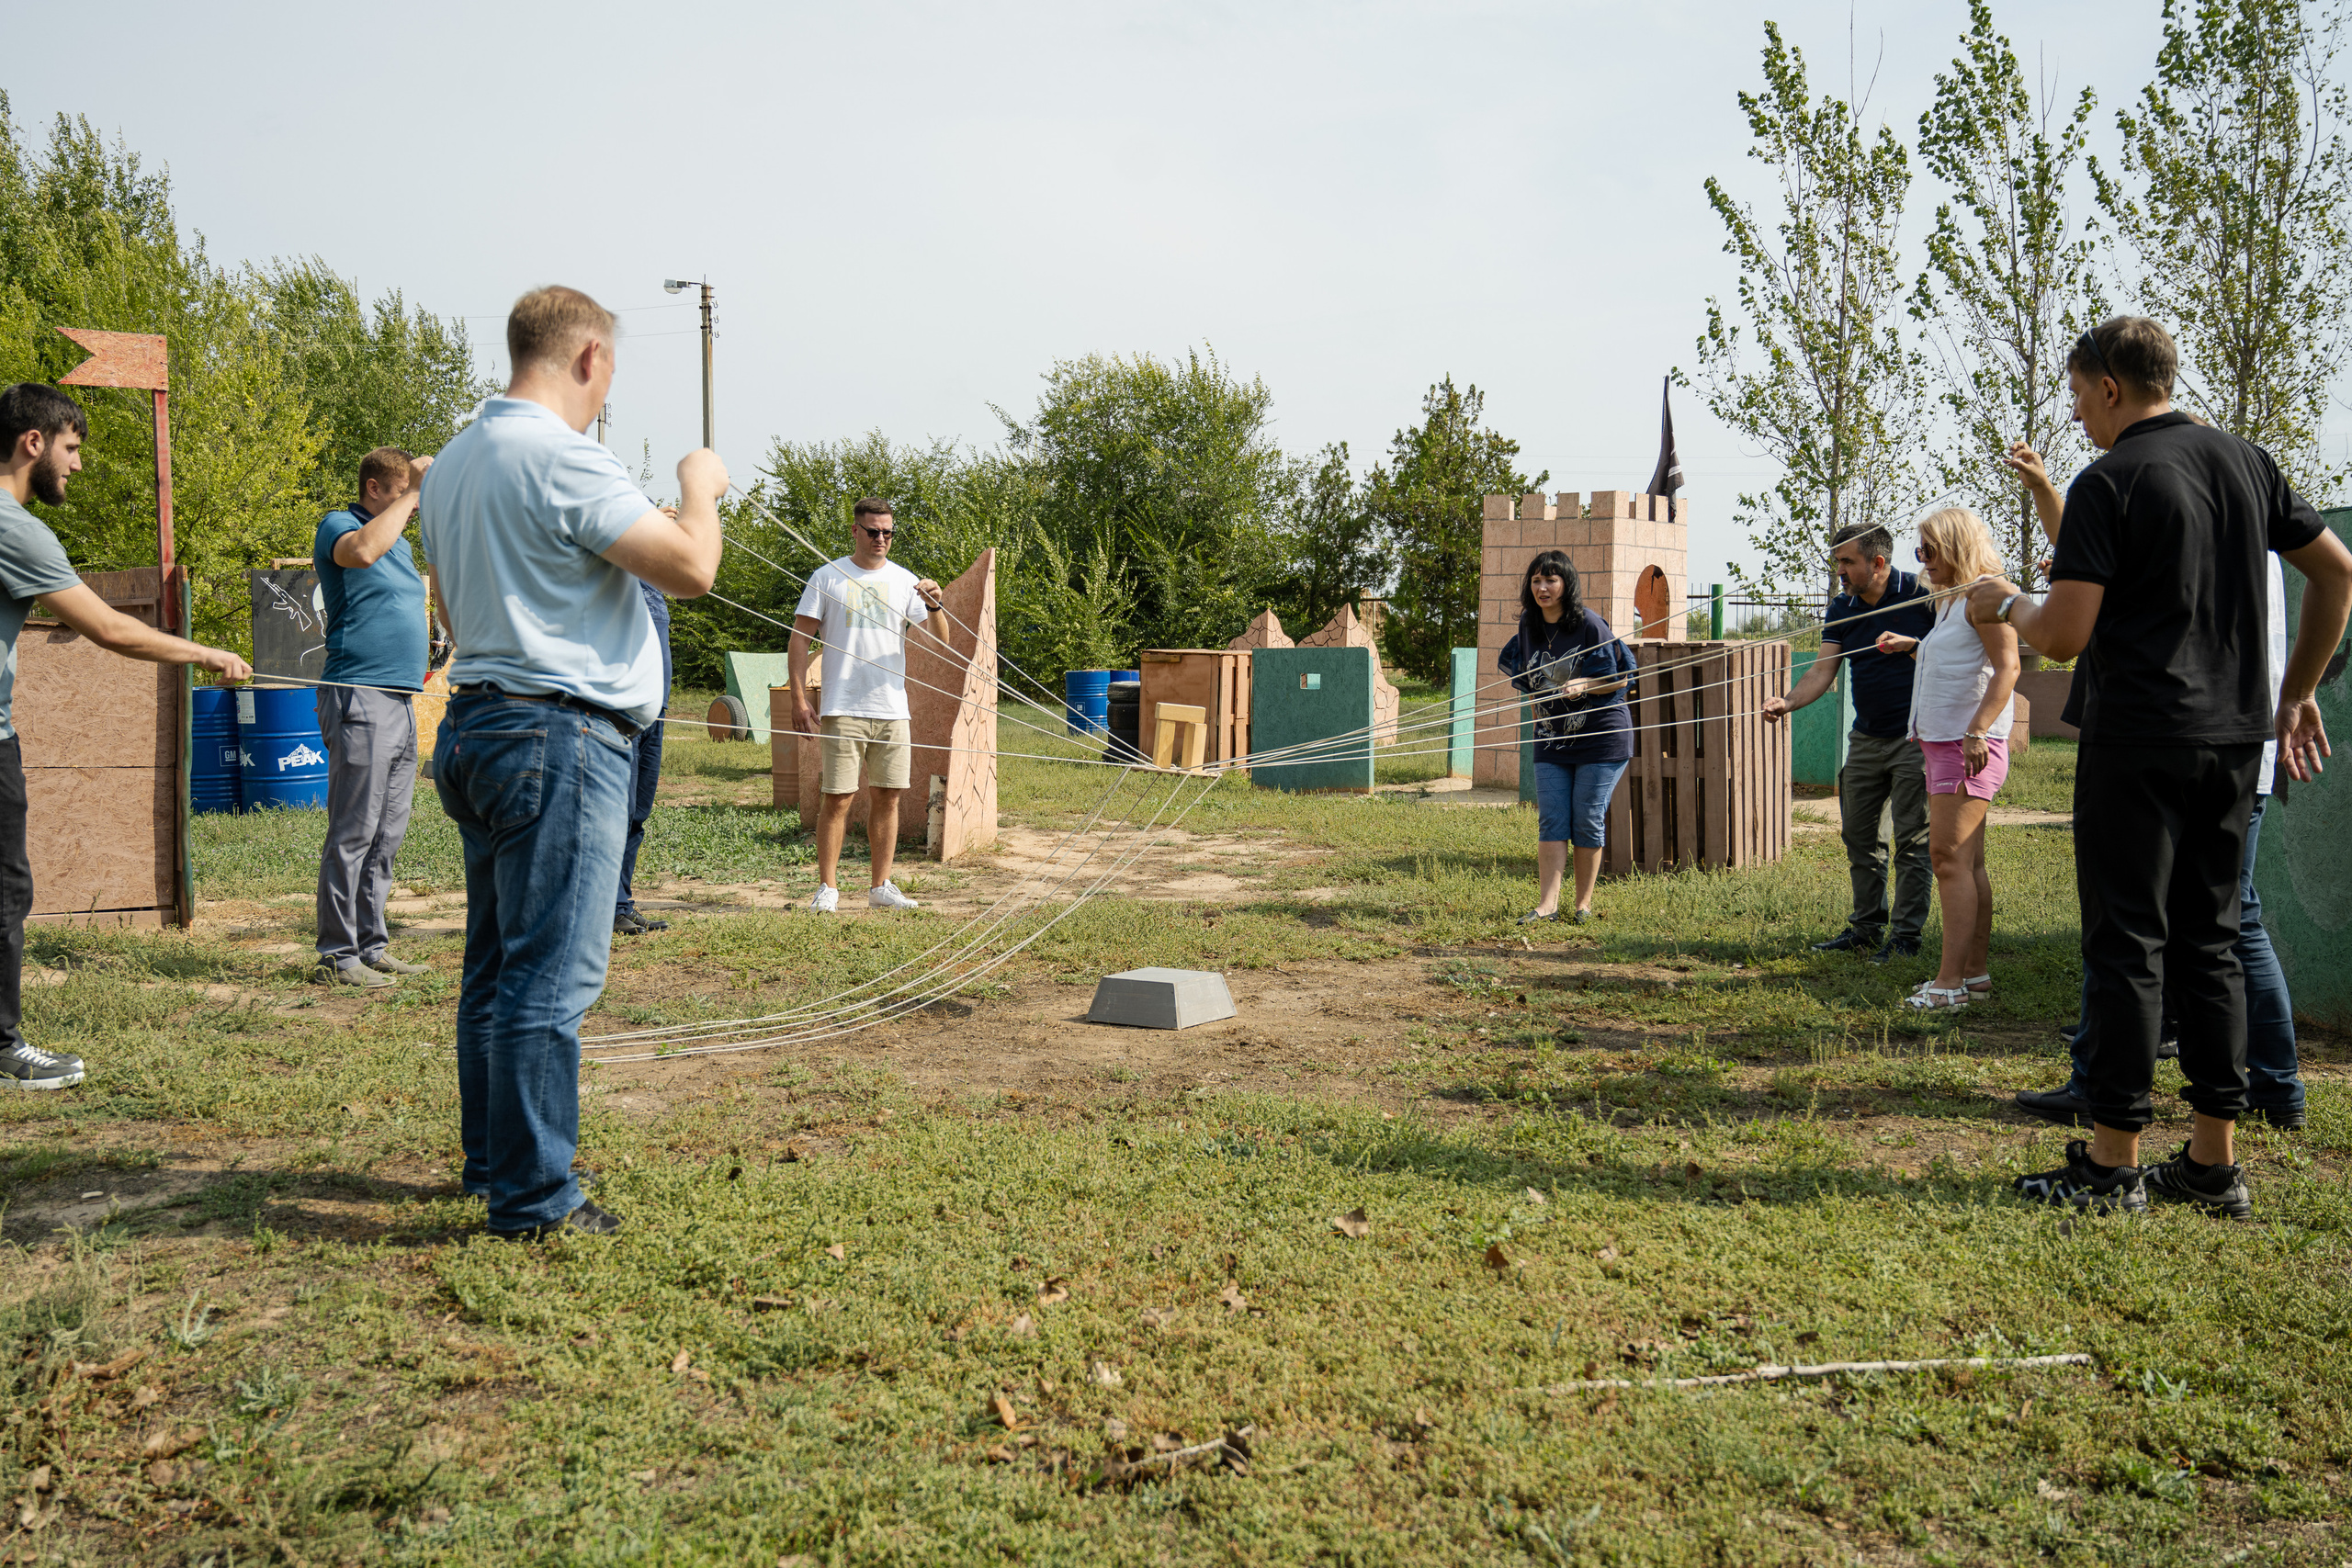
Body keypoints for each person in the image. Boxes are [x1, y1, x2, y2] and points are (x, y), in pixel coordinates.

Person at [1966, 315, 2352, 1218]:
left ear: (2108, 387)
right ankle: (2213, 1166)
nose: (2077, 418)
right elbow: (2337, 576)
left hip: (2137, 742)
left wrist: (2004, 601)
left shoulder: (2110, 481)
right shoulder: (2248, 464)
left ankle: (2110, 1166)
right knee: (2210, 942)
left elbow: (2062, 636)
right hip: (2231, 744)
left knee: (2129, 943)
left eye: (2075, 397)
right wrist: (2293, 695)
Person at [419, 286, 727, 1240]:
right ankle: (536, 1200)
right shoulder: (556, 454)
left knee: (496, 970)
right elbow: (689, 566)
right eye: (610, 376)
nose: (604, 395)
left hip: (479, 725)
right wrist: (698, 487)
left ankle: (494, 1166)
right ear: (588, 356)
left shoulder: (456, 460)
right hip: (559, 738)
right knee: (548, 982)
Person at [2005, 459, 2307, 1132]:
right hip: (2231, 746)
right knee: (2212, 927)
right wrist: (2048, 491)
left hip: (2169, 745)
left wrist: (2005, 602)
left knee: (2141, 928)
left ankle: (2114, 1096)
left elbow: (2070, 617)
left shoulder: (2195, 530)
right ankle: (2243, 1103)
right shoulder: (2241, 524)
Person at [0, 384, 252, 1089]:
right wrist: (205, 655)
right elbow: (108, 628)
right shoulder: (14, 527)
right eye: (72, 448)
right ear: (33, 443)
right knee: (6, 889)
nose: (76, 465)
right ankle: (2, 1047)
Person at [1761, 522, 1939, 962]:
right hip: (1865, 739)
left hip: (1916, 738)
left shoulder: (1924, 596)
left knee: (1913, 842)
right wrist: (1787, 702)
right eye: (1837, 560)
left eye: (1846, 561)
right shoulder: (1843, 607)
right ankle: (1865, 929)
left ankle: (1906, 938)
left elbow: (1953, 652)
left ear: (1877, 563)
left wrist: (1913, 644)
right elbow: (1824, 669)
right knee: (1859, 837)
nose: (1839, 570)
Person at [1871, 507, 2018, 1011]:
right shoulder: (1954, 601)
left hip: (1967, 746)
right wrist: (1916, 647)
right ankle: (1973, 977)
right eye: (1920, 551)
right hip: (1945, 743)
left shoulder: (1985, 595)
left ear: (1955, 546)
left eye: (1929, 551)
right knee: (1966, 862)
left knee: (1947, 861)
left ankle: (1948, 983)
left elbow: (2008, 668)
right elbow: (1962, 662)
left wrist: (1977, 732)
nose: (1922, 561)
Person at [312, 446, 435, 989]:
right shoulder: (341, 524)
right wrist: (413, 493)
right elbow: (360, 553)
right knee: (354, 829)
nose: (413, 503)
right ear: (376, 489)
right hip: (358, 695)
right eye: (404, 491)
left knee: (387, 831)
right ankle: (338, 954)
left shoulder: (401, 544)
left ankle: (371, 944)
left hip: (402, 700)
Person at [787, 499, 944, 914]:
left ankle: (880, 887)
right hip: (843, 705)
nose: (881, 539)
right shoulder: (828, 576)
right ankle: (828, 889)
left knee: (888, 797)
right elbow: (799, 638)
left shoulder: (904, 581)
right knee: (837, 798)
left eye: (888, 533)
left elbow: (942, 641)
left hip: (893, 708)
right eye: (873, 531)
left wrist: (933, 602)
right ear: (855, 531)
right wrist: (799, 698)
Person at [1497, 550, 1636, 924]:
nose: (1543, 588)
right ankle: (1547, 906)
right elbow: (1530, 685)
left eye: (1551, 581)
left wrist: (1586, 682)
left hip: (1601, 738)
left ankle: (1582, 906)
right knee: (1553, 819)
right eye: (1537, 580)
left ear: (1566, 584)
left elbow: (1622, 677)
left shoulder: (1590, 625)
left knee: (1587, 818)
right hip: (1550, 739)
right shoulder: (1529, 625)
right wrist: (1539, 728)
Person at [614, 572, 673, 937]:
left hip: (656, 714)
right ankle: (600, 907)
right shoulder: (613, 577)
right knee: (615, 813)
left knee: (637, 814)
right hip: (622, 714)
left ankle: (620, 905)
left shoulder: (656, 584)